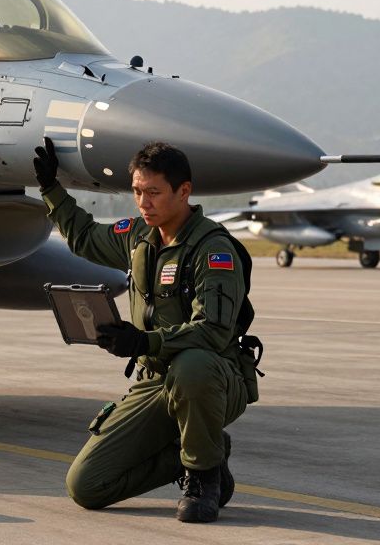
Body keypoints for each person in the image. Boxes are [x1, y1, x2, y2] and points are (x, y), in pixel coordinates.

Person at [33, 138, 257, 523]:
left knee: (192, 366)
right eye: (137, 191)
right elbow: (84, 238)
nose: (143, 202)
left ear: (183, 191)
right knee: (86, 486)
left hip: (215, 379)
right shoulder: (136, 236)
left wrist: (144, 341)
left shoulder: (213, 250)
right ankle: (201, 452)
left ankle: (203, 478)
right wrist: (51, 188)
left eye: (153, 192)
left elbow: (213, 332)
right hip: (155, 381)